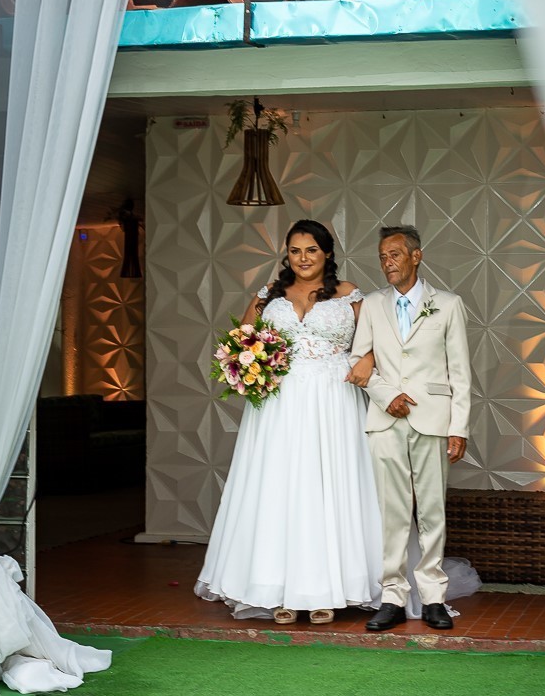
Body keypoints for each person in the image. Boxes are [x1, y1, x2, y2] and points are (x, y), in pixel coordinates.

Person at [195, 219, 383, 625]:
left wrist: (366, 358)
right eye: (295, 251)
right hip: (279, 405)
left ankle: (330, 590)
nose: (303, 259)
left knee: (328, 487)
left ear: (328, 253)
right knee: (281, 489)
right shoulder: (269, 295)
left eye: (311, 250)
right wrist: (245, 368)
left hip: (333, 400)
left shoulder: (350, 294)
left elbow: (376, 343)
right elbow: (241, 341)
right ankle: (278, 589)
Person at [349, 225, 472, 632]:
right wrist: (387, 397)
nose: (387, 263)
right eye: (383, 257)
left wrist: (459, 427)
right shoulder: (370, 304)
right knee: (393, 513)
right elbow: (359, 361)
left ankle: (434, 596)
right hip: (385, 421)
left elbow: (461, 372)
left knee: (433, 510)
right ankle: (392, 596)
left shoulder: (449, 304)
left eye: (395, 255)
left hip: (434, 419)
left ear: (416, 256)